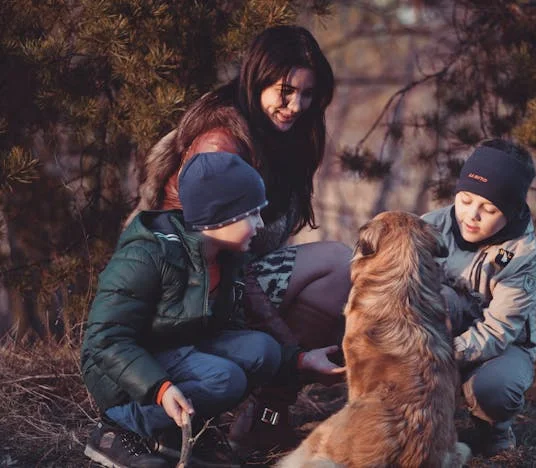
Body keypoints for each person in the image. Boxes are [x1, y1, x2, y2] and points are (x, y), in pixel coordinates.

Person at [126, 25, 352, 450]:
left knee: (344, 268)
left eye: (306, 95)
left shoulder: (284, 136)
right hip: (190, 291)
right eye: (284, 91)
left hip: (232, 277)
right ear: (256, 79)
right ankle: (257, 408)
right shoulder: (221, 143)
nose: (295, 106)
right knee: (338, 264)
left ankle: (266, 416)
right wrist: (294, 355)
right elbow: (216, 260)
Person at [82, 152, 344, 468]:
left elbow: (233, 330)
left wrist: (300, 360)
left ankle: (177, 433)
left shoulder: (225, 257)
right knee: (225, 379)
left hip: (174, 351)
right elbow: (105, 339)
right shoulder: (147, 254)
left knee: (263, 350)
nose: (260, 225)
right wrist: (161, 390)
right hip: (122, 375)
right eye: (252, 215)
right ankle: (118, 430)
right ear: (219, 218)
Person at [421, 139, 536, 457]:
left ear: (513, 209)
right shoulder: (430, 226)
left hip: (499, 348)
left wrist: (438, 356)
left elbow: (498, 331)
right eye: (464, 200)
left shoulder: (523, 255)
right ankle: (421, 424)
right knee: (442, 299)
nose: (471, 215)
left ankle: (494, 430)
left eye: (489, 209)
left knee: (495, 388)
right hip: (436, 335)